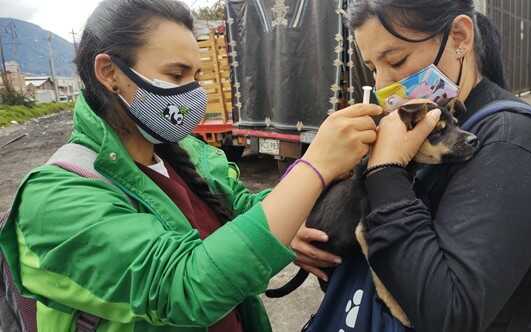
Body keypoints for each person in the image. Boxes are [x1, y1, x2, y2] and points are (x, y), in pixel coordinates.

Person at [0, 0, 442, 331]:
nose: (193, 93)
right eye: (176, 76)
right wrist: (315, 165)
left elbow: (248, 208)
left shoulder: (191, 155)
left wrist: (294, 227)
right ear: (109, 72)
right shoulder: (56, 199)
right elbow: (182, 287)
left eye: (196, 76)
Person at [292, 1, 531, 331]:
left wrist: (385, 174)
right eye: (372, 68)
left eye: (396, 60)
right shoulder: (417, 125)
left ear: (459, 37)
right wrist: (308, 222)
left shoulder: (513, 143)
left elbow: (449, 315)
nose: (383, 86)